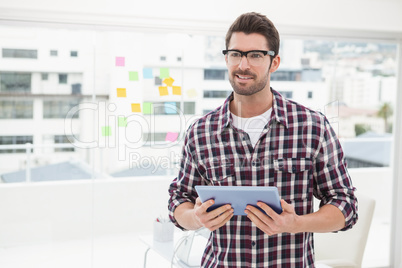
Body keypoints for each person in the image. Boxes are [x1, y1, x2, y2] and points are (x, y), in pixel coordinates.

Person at [168, 12, 358, 267]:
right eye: (235, 54)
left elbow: (345, 204)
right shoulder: (200, 132)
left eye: (255, 55)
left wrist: (297, 224)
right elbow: (178, 200)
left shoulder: (312, 127)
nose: (243, 65)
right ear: (226, 58)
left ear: (274, 62)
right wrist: (196, 218)